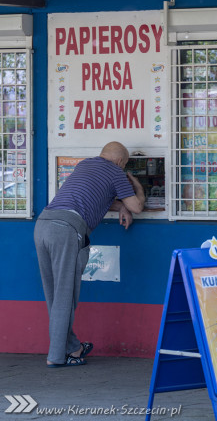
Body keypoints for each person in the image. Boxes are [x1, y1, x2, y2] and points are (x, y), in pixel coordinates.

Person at [34, 142, 145, 368]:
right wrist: (136, 187)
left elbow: (98, 198)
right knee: (65, 297)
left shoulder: (85, 165)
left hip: (43, 225)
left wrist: (120, 206)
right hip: (66, 230)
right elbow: (137, 206)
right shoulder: (116, 172)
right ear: (120, 161)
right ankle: (57, 357)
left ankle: (72, 347)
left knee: (54, 296)